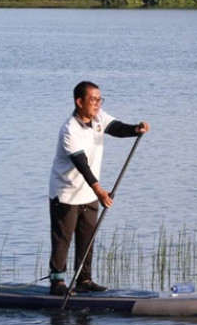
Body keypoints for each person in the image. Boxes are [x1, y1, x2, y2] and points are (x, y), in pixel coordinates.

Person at [48, 81, 149, 295]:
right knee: (63, 239)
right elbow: (81, 164)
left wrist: (135, 129)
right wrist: (100, 191)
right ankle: (57, 282)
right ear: (79, 101)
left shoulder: (98, 117)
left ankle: (84, 280)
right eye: (93, 99)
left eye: (99, 99)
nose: (97, 104)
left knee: (87, 237)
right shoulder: (70, 129)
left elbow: (116, 128)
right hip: (66, 192)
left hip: (88, 193)